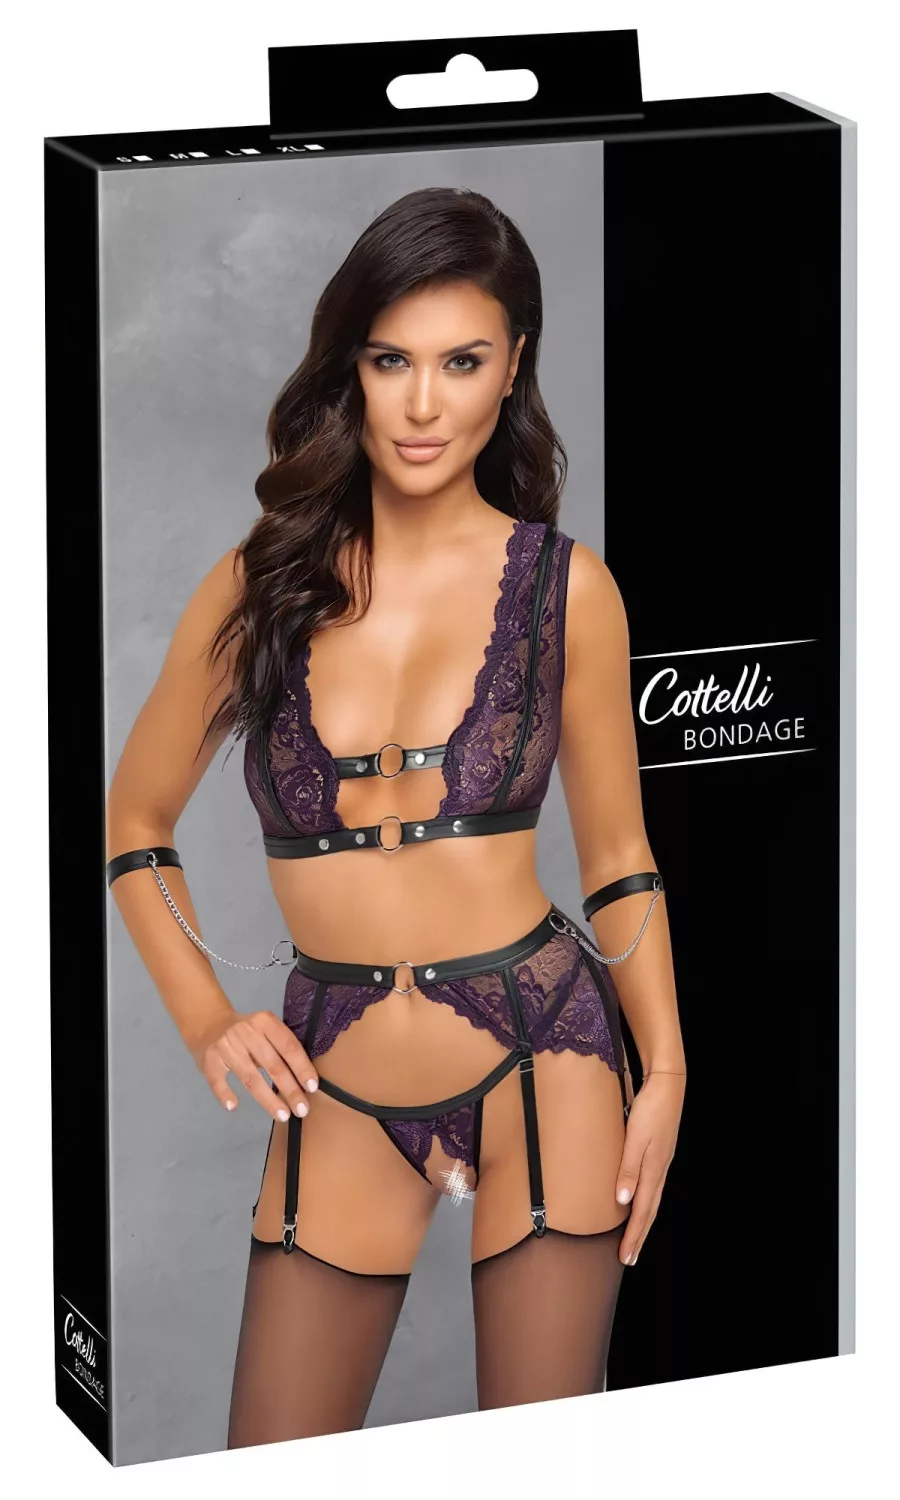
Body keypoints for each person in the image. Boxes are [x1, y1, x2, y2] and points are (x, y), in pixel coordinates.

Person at [105, 186, 686, 1447]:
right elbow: (136, 819)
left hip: (544, 1052)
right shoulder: (261, 585)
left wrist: (669, 1072)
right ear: (351, 367)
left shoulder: (568, 593)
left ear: (514, 364)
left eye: (462, 362)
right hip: (338, 1070)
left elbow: (619, 859)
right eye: (391, 361)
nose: (423, 405)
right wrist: (205, 1017)